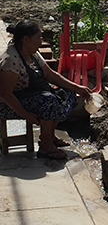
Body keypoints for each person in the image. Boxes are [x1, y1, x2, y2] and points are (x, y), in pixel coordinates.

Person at [0, 20, 92, 159]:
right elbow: (6, 95)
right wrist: (26, 115)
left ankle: (50, 135)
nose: (41, 41)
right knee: (48, 100)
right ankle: (45, 144)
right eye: (38, 37)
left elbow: (51, 75)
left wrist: (78, 88)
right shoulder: (10, 60)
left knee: (68, 94)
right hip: (9, 105)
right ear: (26, 39)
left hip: (31, 96)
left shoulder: (33, 54)